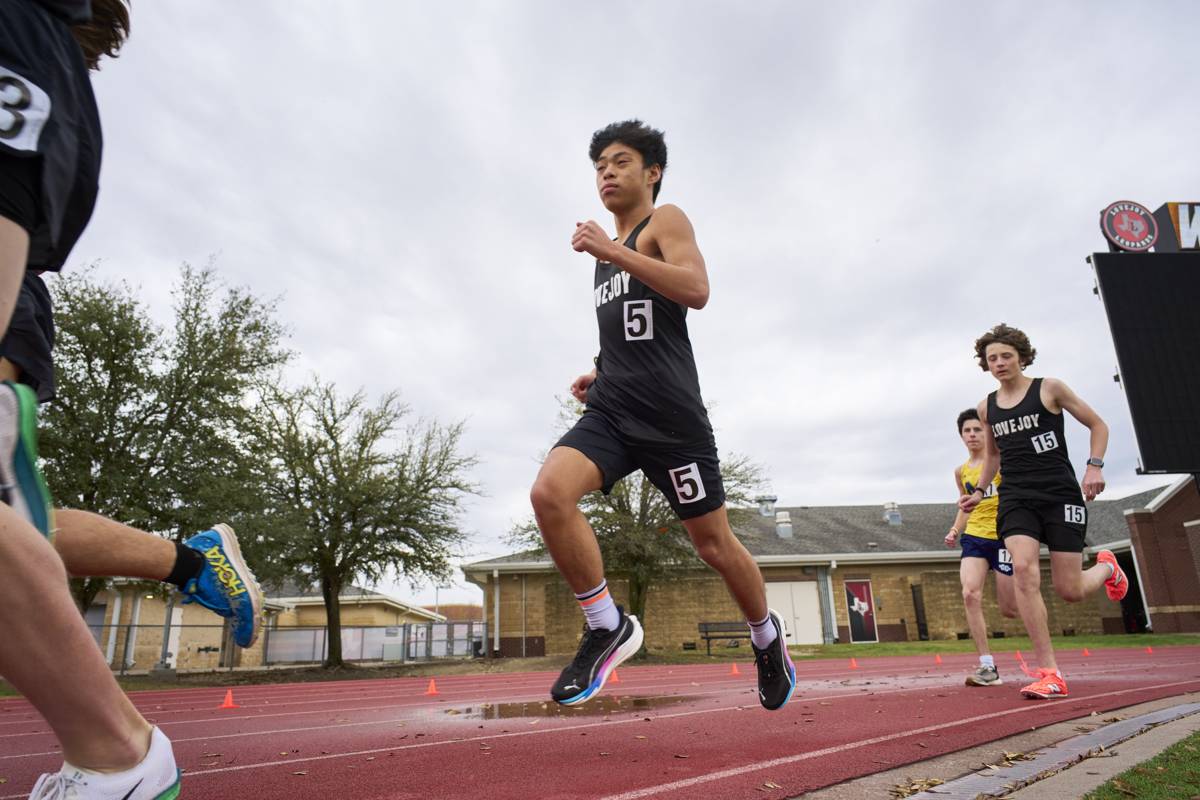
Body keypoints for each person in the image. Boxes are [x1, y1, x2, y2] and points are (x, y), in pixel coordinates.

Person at [0, 2, 251, 796]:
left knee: (17, 526)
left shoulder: (15, 31)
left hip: (14, 307)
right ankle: (187, 564)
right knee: (22, 524)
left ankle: (119, 757)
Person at [529, 120, 795, 711]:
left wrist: (613, 249)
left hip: (673, 422)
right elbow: (636, 326)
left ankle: (766, 636)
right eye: (598, 165)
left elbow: (695, 289)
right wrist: (600, 369)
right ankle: (606, 625)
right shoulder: (608, 256)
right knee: (549, 493)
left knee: (713, 544)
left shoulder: (663, 220)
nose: (606, 172)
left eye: (619, 162)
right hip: (615, 409)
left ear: (651, 172)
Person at [960, 323, 1128, 700]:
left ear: (1021, 356)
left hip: (1059, 493)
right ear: (985, 364)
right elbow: (993, 455)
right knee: (1023, 569)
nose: (999, 363)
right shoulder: (987, 406)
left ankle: (1106, 567)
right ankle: (1049, 672)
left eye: (1006, 356)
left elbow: (1098, 424)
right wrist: (980, 490)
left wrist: (1094, 465)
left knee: (1070, 590)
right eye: (992, 359)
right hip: (1016, 497)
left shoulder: (1050, 389)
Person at [945, 407, 1017, 686]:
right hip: (975, 537)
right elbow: (966, 505)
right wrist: (954, 530)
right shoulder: (961, 471)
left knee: (1010, 608)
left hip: (1003, 536)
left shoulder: (999, 462)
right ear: (961, 436)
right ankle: (987, 667)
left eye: (977, 429)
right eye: (967, 431)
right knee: (970, 594)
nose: (973, 435)